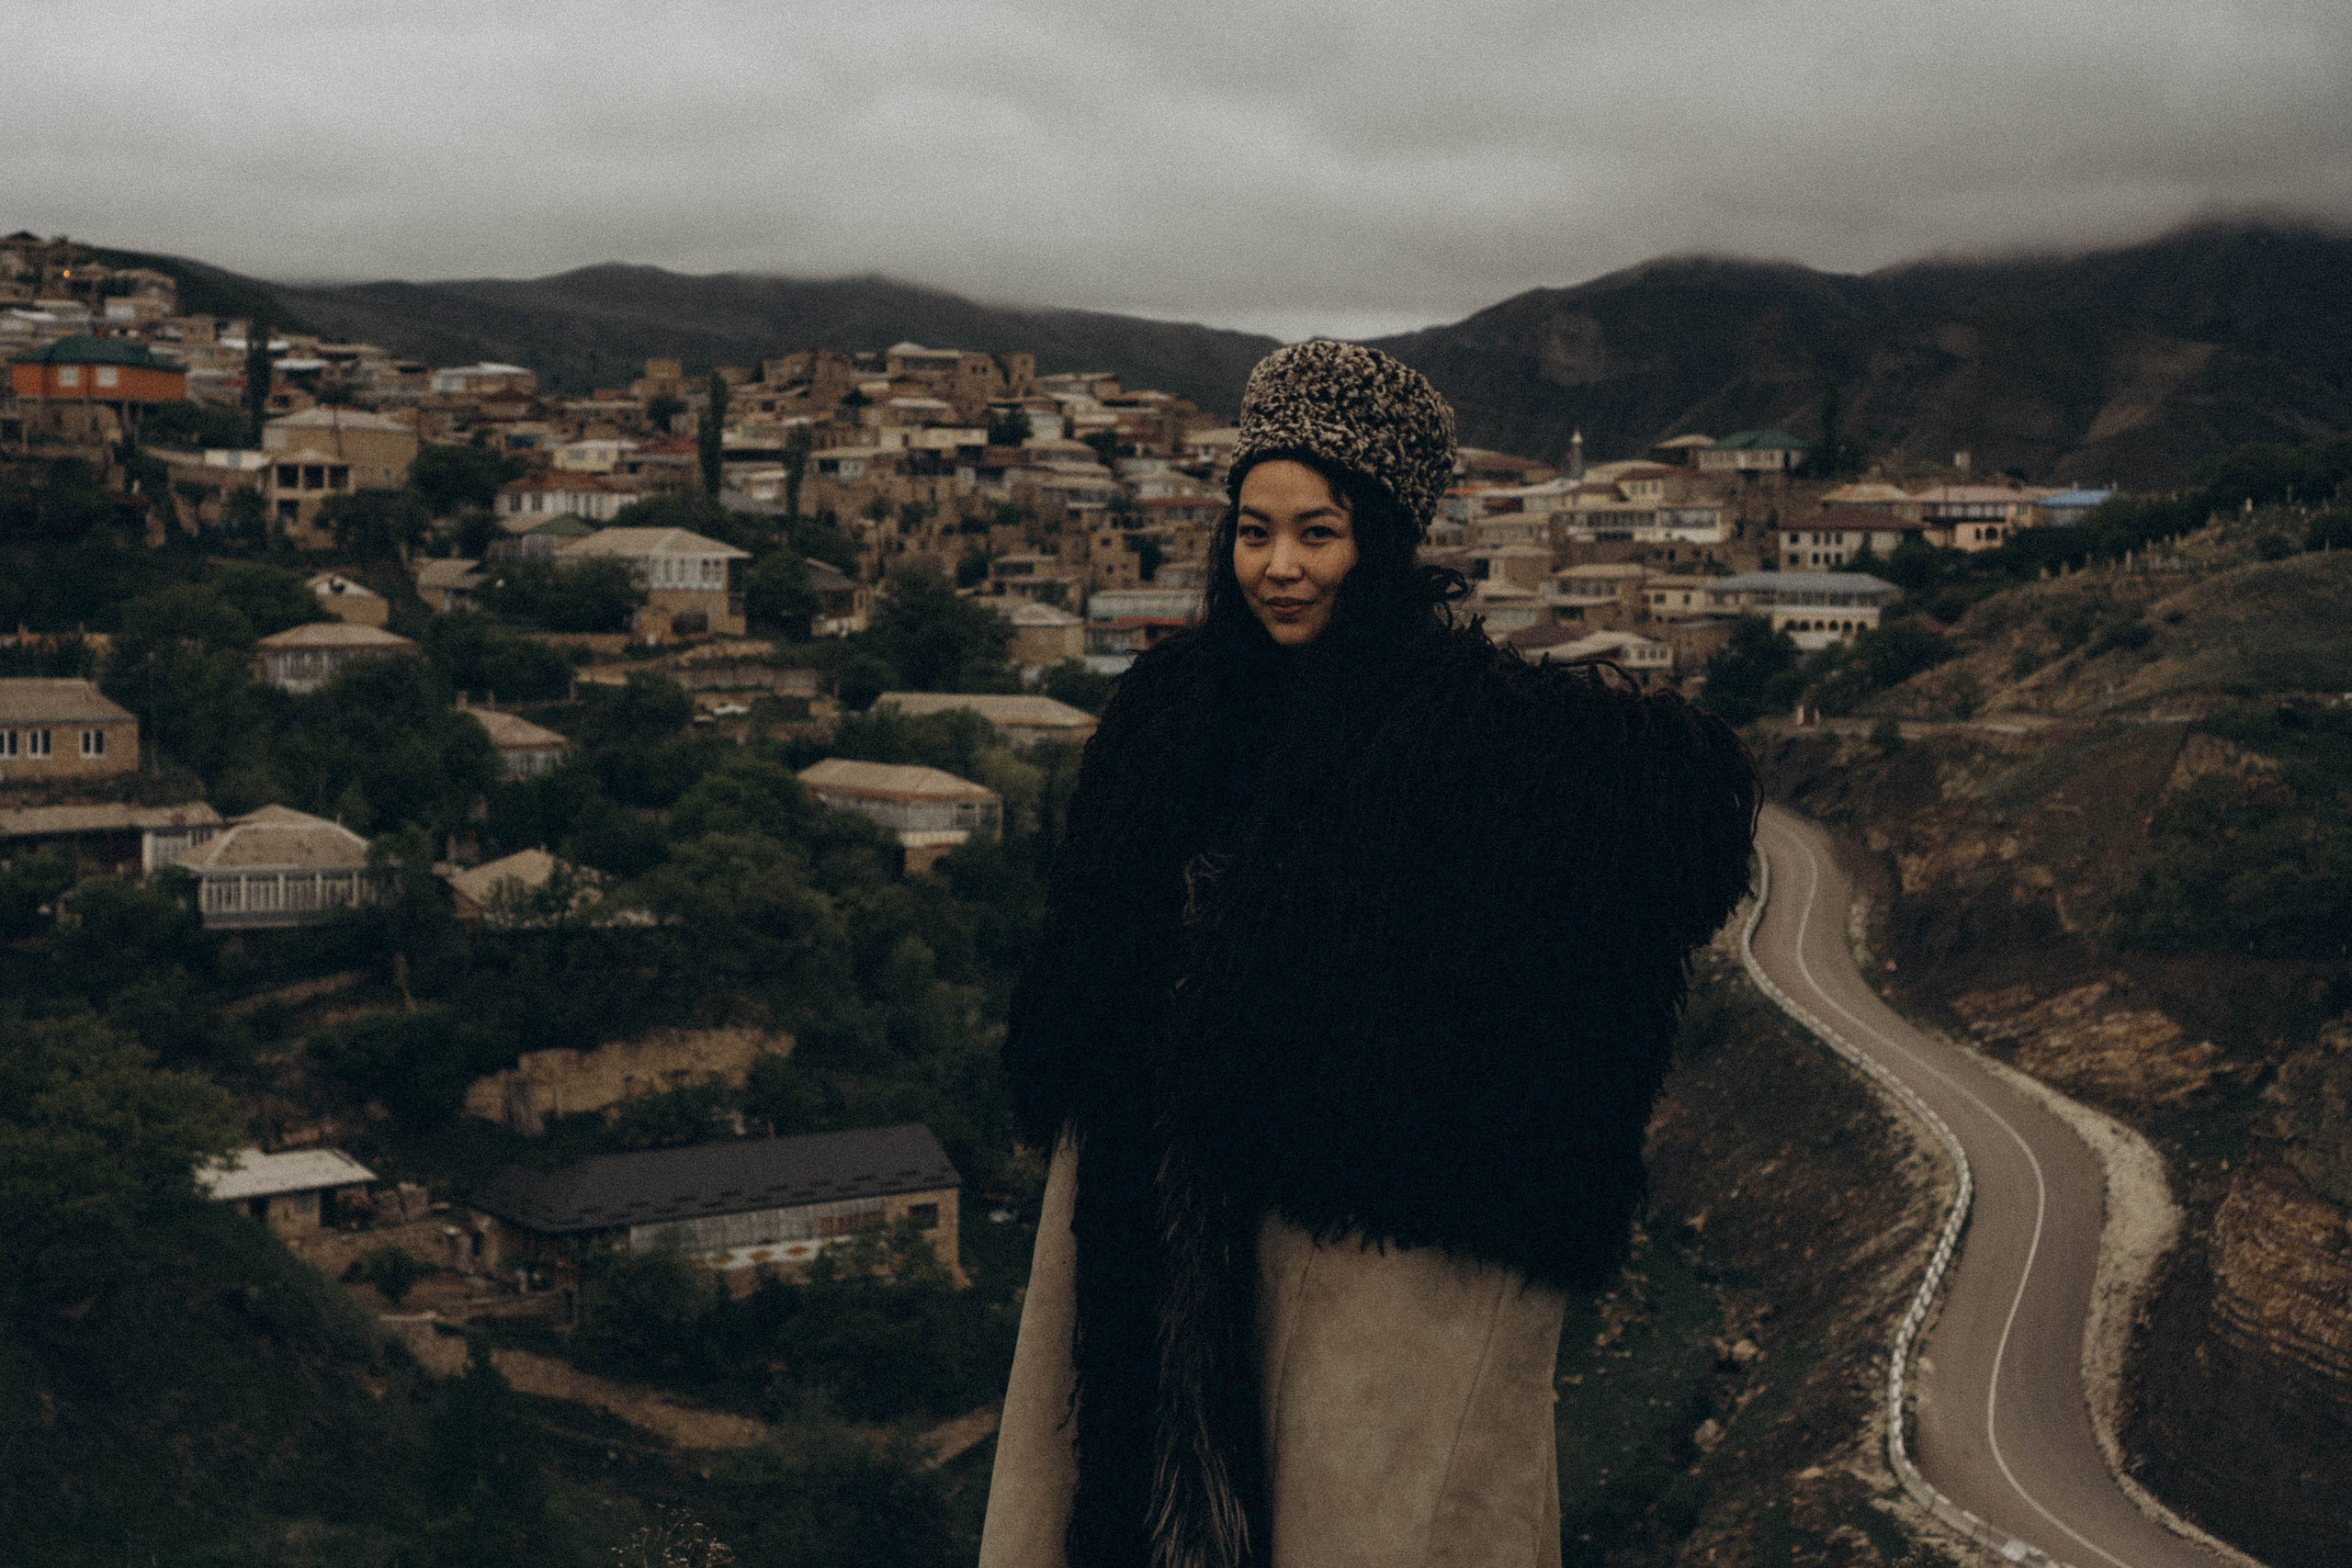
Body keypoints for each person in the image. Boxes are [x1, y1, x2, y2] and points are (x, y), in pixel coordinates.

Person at [981, 342, 1758, 1568]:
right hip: (1147, 1209)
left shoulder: (1461, 729)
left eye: (1319, 533)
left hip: (1347, 1230)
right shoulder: (1171, 715)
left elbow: (1682, 831)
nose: (1279, 568)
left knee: (1357, 1507)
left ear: (1382, 541)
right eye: (1254, 531)